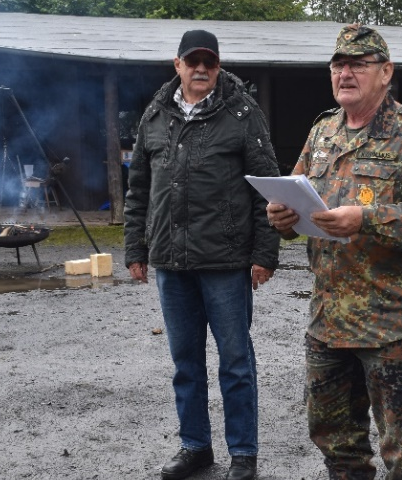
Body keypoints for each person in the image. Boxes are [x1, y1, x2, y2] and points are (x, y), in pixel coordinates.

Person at [265, 23, 402, 480]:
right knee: (336, 444)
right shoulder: (323, 130)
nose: (344, 73)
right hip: (328, 321)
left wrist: (366, 219)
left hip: (390, 325)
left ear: (385, 71)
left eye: (357, 64)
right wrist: (281, 218)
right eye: (338, 65)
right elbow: (294, 194)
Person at [123, 29, 281, 480]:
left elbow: (267, 188)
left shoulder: (242, 113)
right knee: (185, 362)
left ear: (217, 66)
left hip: (227, 263)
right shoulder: (155, 115)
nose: (200, 69)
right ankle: (195, 447)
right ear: (177, 65)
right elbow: (139, 191)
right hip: (171, 264)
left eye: (208, 62)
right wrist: (137, 247)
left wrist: (265, 254)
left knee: (235, 362)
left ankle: (243, 455)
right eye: (192, 62)